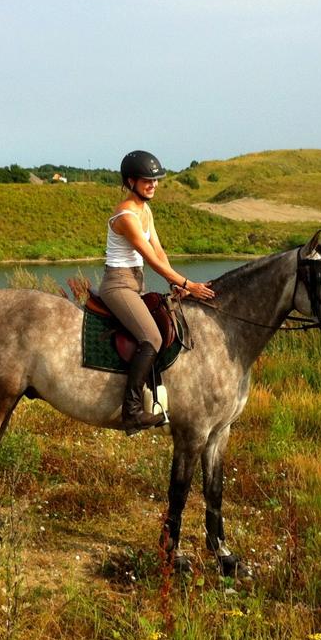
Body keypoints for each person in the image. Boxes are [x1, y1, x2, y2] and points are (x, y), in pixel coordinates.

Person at [100, 150, 216, 433]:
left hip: (134, 283)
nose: (153, 184)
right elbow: (150, 260)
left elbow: (159, 253)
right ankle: (132, 411)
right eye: (147, 180)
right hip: (118, 284)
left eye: (156, 179)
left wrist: (175, 283)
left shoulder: (145, 210)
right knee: (150, 336)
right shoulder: (126, 215)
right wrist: (189, 284)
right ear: (131, 181)